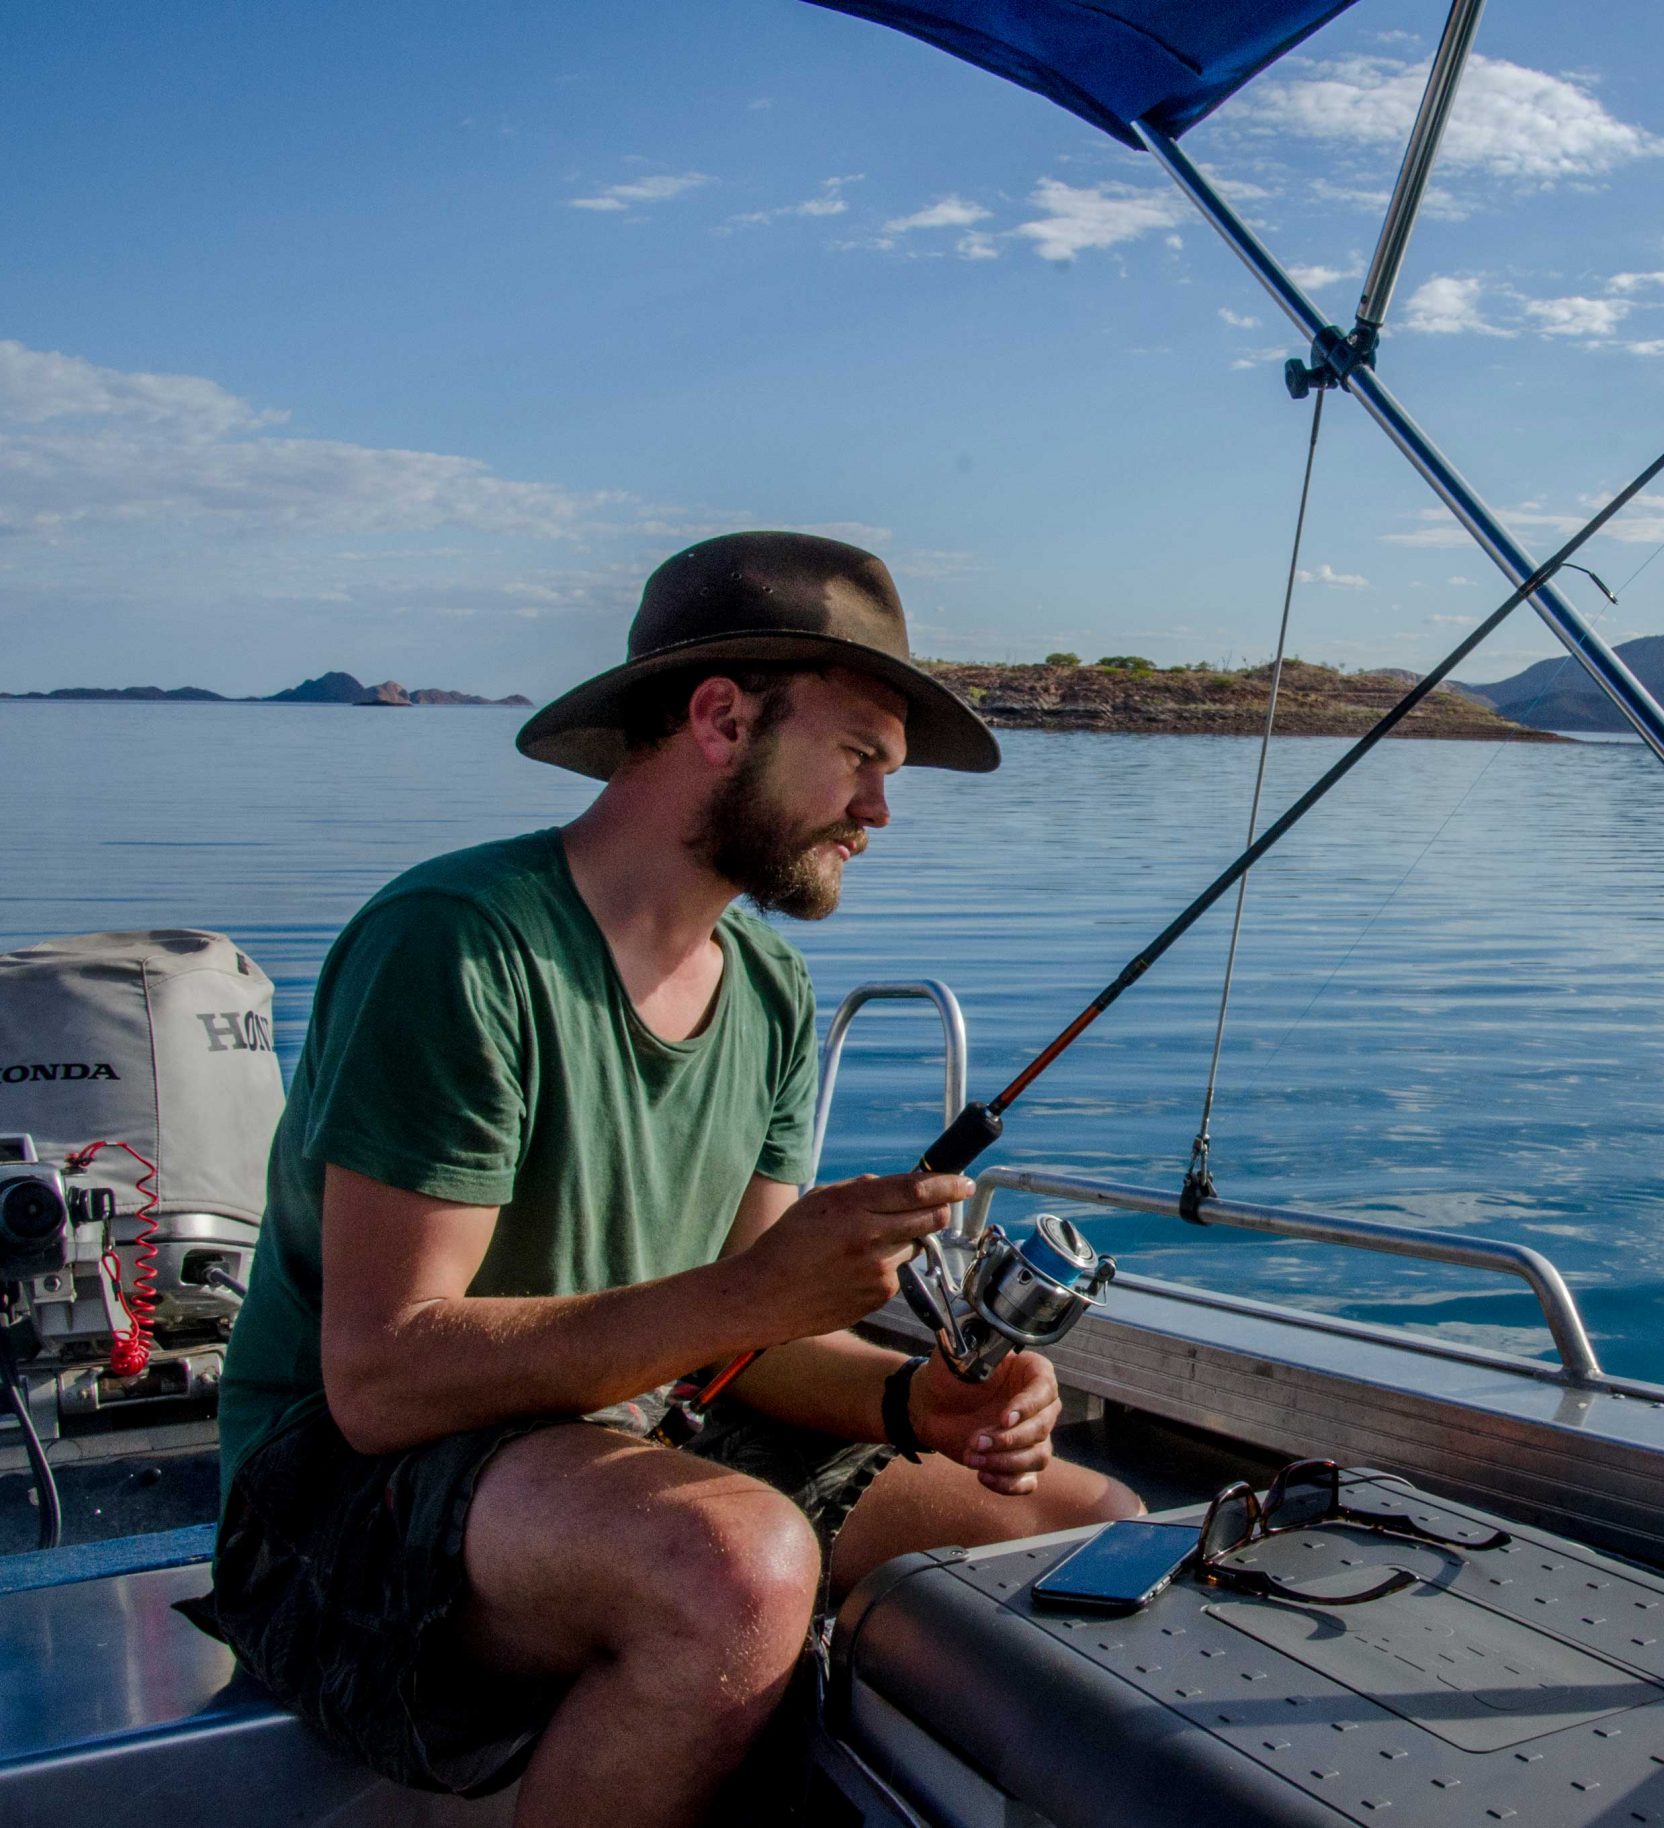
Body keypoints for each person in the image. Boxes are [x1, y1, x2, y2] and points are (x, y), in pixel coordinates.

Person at [199, 531, 1142, 1826]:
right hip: (338, 1505)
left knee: (1080, 1523)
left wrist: (925, 1403)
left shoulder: (766, 994)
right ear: (719, 717)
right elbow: (382, 1378)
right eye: (861, 759)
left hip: (622, 1439)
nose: (879, 811)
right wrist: (754, 1291)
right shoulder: (462, 951)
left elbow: (750, 1348)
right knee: (736, 1569)